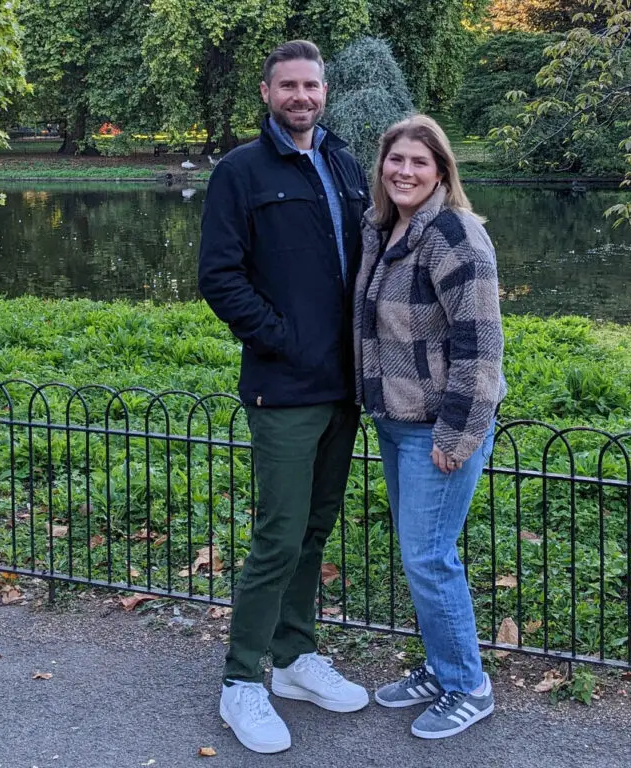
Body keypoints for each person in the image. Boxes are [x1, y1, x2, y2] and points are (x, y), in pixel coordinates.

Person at [198, 40, 370, 754]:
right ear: (267, 92)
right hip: (285, 387)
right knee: (278, 534)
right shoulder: (240, 171)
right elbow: (220, 276)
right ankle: (242, 680)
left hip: (347, 388)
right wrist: (285, 340)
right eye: (288, 86)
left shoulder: (343, 162)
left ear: (324, 92)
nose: (302, 96)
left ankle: (295, 658)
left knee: (314, 530)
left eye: (312, 85)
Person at [353, 114, 507, 740]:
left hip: (438, 427)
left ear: (441, 171)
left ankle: (469, 686)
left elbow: (480, 342)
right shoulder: (387, 228)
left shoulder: (453, 235)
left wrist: (458, 432)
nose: (404, 172)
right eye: (396, 161)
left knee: (429, 556)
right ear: (382, 168)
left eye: (419, 162)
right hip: (397, 419)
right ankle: (443, 669)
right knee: (421, 555)